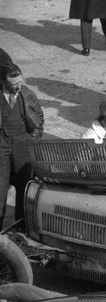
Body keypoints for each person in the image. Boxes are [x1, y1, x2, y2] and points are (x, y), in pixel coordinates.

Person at [0, 64, 43, 229]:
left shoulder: (27, 94)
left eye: (20, 81)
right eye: (14, 84)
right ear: (3, 82)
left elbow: (39, 118)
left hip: (22, 143)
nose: (18, 86)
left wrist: (33, 139)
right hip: (1, 144)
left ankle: (21, 224)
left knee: (24, 184)